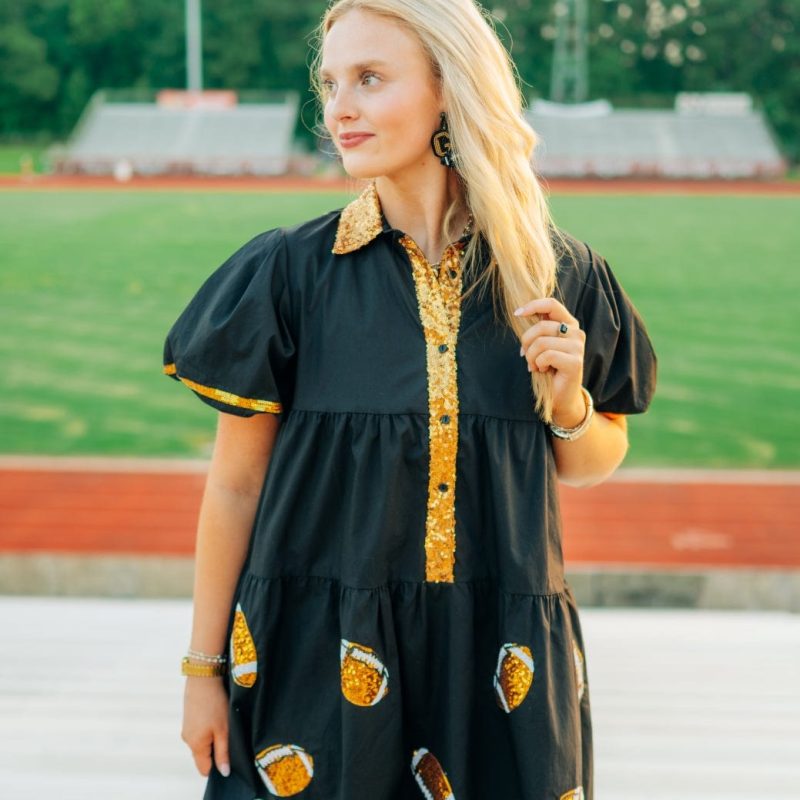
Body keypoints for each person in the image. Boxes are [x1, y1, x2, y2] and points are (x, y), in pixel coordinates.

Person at [163, 1, 657, 798]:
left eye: (369, 78)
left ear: (449, 89)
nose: (339, 108)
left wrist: (568, 402)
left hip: (501, 656)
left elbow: (593, 458)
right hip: (312, 656)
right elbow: (236, 485)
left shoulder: (558, 274)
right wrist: (201, 671)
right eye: (330, 83)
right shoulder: (289, 274)